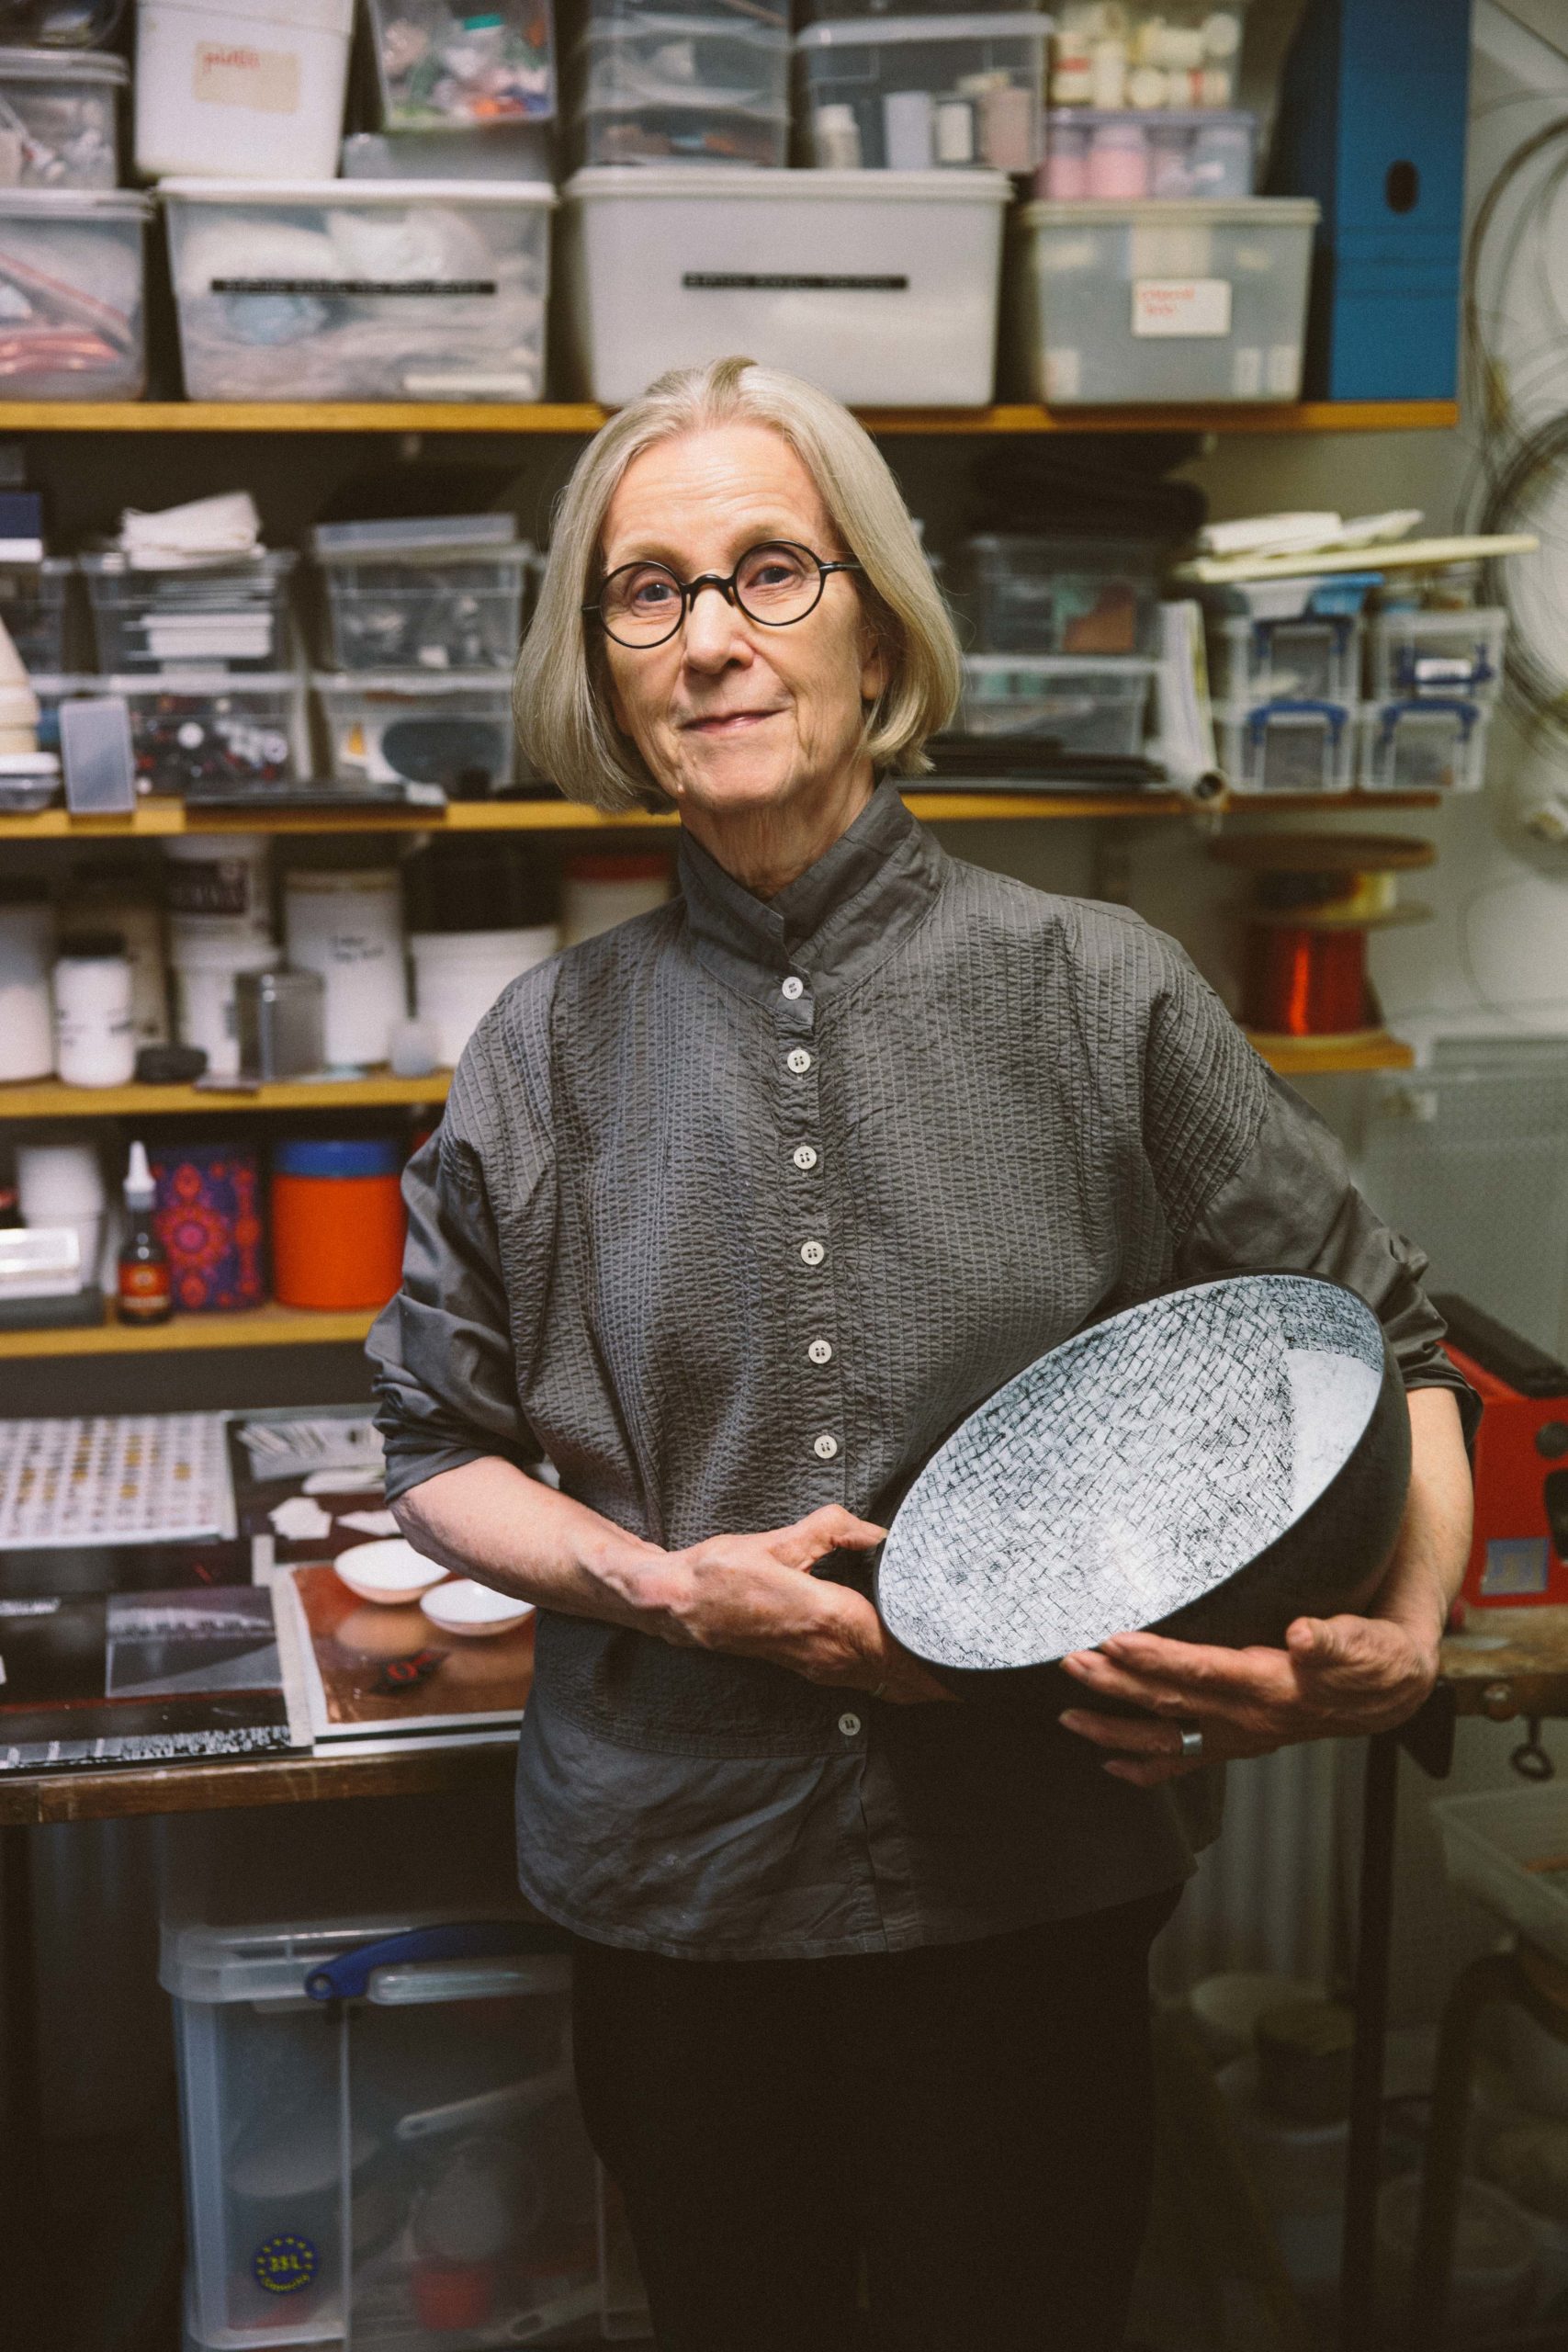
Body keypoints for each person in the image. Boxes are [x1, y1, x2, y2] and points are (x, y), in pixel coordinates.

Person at [368, 356, 1477, 2352]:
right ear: (604, 664)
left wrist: (1396, 1628)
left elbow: (1386, 1332)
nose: (708, 637)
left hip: (1028, 1880)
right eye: (647, 591)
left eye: (769, 572)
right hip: (675, 1894)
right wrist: (654, 1581)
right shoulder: (540, 1049)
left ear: (872, 617)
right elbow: (428, 1436)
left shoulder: (1102, 993)